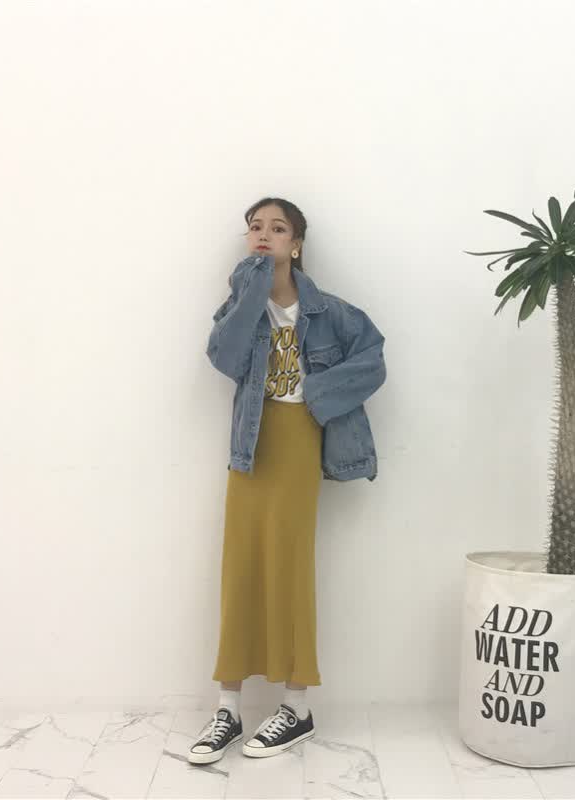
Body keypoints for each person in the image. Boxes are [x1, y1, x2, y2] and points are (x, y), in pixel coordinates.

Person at [188, 197, 387, 764]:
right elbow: (224, 359)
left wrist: (317, 396)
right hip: (249, 445)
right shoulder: (242, 304)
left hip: (299, 440)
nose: (264, 234)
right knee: (240, 566)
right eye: (255, 227)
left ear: (296, 244)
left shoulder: (329, 312)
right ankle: (228, 708)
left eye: (277, 228)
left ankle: (296, 708)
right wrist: (250, 289)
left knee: (290, 566)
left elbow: (373, 360)